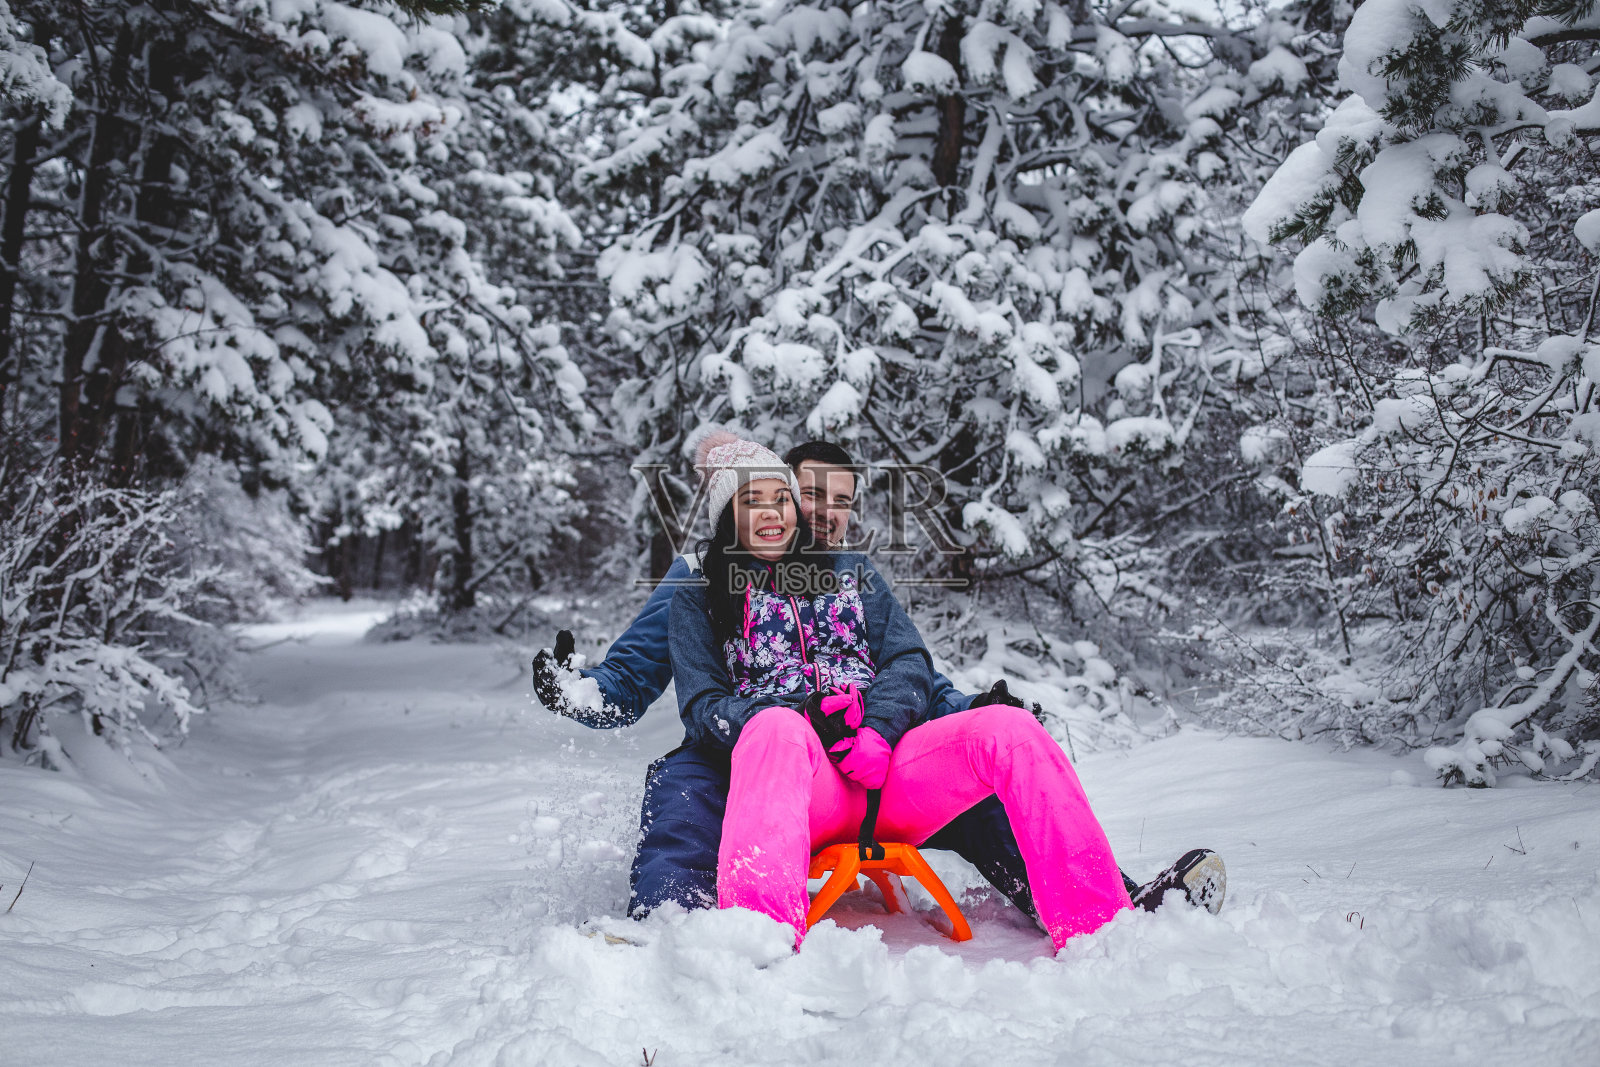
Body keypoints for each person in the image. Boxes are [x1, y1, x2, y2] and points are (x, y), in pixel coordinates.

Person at [533, 438, 1225, 930]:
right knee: (684, 788)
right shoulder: (702, 582)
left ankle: (1114, 916)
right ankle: (680, 927)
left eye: (836, 502)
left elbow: (911, 666)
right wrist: (584, 691)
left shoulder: (850, 572)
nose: (817, 512)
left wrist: (920, 721)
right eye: (803, 496)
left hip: (878, 761)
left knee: (993, 774)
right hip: (759, 756)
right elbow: (658, 686)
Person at [668, 431, 1138, 948]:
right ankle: (755, 944)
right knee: (774, 729)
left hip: (887, 777)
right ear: (726, 517)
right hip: (802, 786)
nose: (775, 512)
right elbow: (703, 705)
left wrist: (876, 728)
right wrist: (804, 717)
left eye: (782, 497)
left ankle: (1103, 927)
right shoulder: (701, 594)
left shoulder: (853, 573)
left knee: (1011, 730)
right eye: (753, 501)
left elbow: (909, 660)